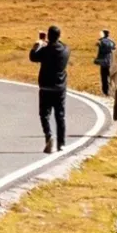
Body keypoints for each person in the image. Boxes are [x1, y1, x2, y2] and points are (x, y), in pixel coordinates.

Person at [30, 25, 70, 154]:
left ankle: (48, 135)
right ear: (59, 36)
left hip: (46, 86)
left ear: (49, 35)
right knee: (60, 115)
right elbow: (62, 45)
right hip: (59, 87)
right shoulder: (65, 50)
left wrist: (38, 45)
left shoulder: (45, 50)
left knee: (44, 114)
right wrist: (51, 41)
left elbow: (33, 57)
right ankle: (61, 143)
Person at [94, 29, 116, 96]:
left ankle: (106, 92)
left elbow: (100, 52)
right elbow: (114, 50)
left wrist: (97, 60)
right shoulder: (112, 42)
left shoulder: (101, 42)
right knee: (111, 77)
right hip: (111, 61)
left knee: (104, 78)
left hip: (103, 62)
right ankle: (113, 90)